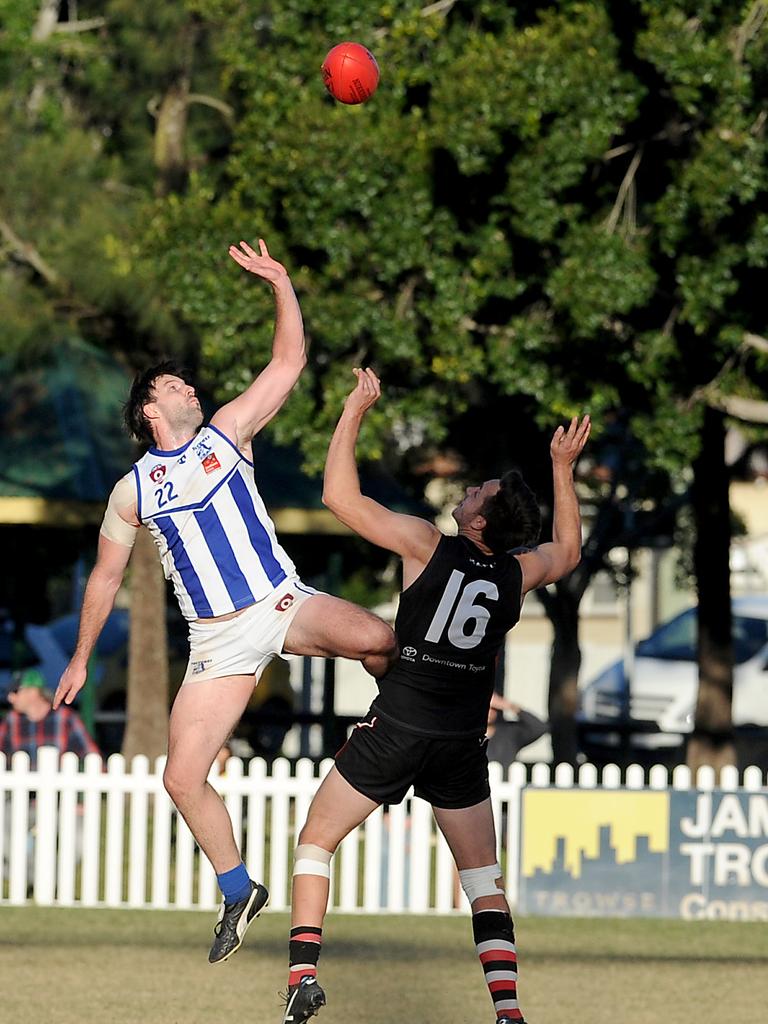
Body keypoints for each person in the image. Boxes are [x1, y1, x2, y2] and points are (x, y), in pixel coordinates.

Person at [53, 242, 398, 965]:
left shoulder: (226, 436)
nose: (192, 391)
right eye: (178, 385)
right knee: (180, 775)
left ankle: (412, 727)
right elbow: (105, 578)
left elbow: (289, 363)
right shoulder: (133, 491)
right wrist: (82, 658)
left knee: (380, 640)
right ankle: (238, 888)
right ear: (152, 405)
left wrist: (280, 283)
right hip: (214, 644)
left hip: (276, 603)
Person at [280, 368, 589, 1024]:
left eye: (477, 490)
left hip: (396, 725)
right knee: (482, 880)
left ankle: (301, 976)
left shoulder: (427, 544)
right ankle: (507, 1012)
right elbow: (567, 551)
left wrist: (354, 410)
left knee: (316, 840)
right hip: (458, 744)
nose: (469, 488)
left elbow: (339, 494)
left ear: (480, 517)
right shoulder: (515, 573)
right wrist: (562, 468)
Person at [1, 667, 101, 879]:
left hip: (62, 802)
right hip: (21, 801)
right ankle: (27, 877)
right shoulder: (11, 721)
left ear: (32, 691)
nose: (10, 697)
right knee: (5, 831)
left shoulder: (66, 719)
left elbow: (93, 760)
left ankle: (51, 879)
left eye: (15, 691)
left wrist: (82, 800)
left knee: (80, 838)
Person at [486, 701, 549, 769]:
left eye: (492, 708)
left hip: (506, 778)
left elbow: (540, 727)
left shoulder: (509, 732)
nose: (487, 712)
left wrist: (509, 705)